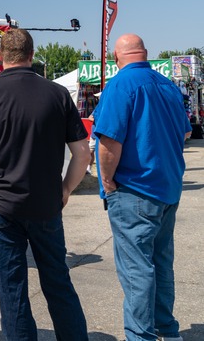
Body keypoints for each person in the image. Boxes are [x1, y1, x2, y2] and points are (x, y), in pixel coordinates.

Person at [0, 28, 90, 340]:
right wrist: (66, 188)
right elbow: (83, 153)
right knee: (58, 281)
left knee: (11, 287)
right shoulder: (57, 94)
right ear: (32, 56)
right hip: (46, 203)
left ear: (0, 56)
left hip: (1, 204)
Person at [93, 34, 191, 341]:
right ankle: (168, 330)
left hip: (134, 189)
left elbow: (108, 142)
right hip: (168, 188)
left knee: (137, 270)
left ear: (116, 58)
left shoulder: (120, 85)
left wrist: (107, 180)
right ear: (145, 54)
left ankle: (141, 336)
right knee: (161, 264)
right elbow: (187, 133)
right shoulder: (168, 86)